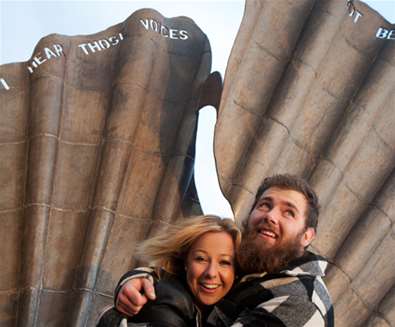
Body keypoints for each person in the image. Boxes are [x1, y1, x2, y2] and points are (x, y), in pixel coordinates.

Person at [114, 174, 334, 327]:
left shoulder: (300, 302)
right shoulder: (260, 271)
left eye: (289, 212)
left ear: (307, 236)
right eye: (265, 205)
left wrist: (109, 319)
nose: (270, 216)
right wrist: (140, 278)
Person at [97, 215, 241, 327]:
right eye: (201, 259)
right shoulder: (170, 304)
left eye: (224, 262)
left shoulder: (223, 305)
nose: (211, 273)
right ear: (186, 262)